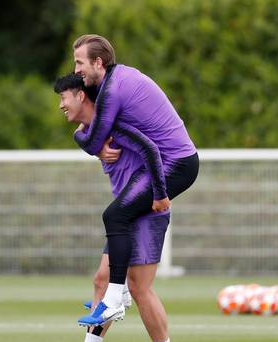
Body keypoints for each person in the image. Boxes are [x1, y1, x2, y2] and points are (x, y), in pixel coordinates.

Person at [46, 73, 180, 342]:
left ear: (81, 96)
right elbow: (84, 138)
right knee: (101, 280)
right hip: (125, 215)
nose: (60, 105)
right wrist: (95, 147)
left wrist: (159, 195)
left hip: (145, 211)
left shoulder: (117, 125)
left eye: (63, 97)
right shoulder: (88, 134)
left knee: (140, 286)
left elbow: (152, 151)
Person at [72, 34, 199, 326]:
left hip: (175, 164)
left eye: (80, 62)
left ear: (98, 62)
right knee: (120, 219)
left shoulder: (112, 89)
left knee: (115, 215)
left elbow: (93, 140)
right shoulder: (114, 80)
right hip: (164, 163)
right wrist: (93, 141)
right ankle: (114, 298)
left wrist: (81, 137)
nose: (77, 69)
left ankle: (116, 296)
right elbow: (99, 138)